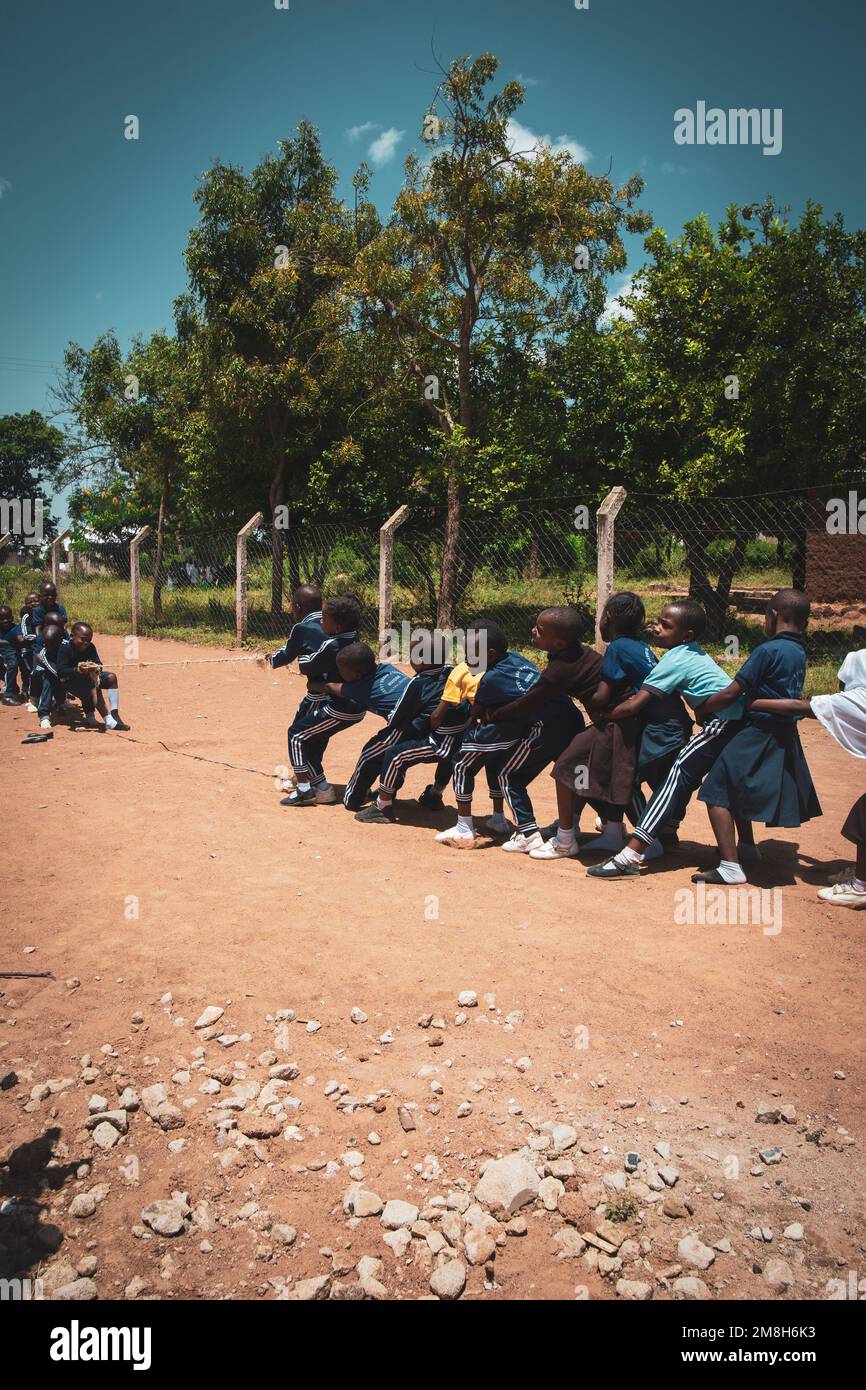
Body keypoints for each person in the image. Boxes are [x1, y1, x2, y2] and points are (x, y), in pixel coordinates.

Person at [587, 599, 745, 879]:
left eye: (665, 625)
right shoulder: (693, 653)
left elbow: (636, 704)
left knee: (675, 775)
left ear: (686, 636)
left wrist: (605, 716)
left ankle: (631, 855)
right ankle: (746, 849)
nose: (656, 628)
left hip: (721, 723)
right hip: (729, 721)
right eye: (657, 621)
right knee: (721, 782)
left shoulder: (675, 658)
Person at [688, 589, 820, 884]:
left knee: (716, 790)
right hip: (780, 732)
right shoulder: (798, 651)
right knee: (734, 786)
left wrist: (703, 705)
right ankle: (747, 847)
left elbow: (733, 692)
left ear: (773, 615)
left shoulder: (768, 650)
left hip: (759, 732)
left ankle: (730, 867)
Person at [435, 619, 578, 850]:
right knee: (572, 774)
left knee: (472, 766)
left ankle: (470, 828)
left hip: (545, 727)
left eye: (470, 652)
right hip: (570, 718)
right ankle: (587, 826)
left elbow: (478, 713)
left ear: (490, 654)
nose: (465, 657)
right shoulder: (517, 660)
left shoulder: (490, 681)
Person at [751, 648, 866, 909]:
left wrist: (749, 702)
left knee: (863, 817)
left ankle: (860, 887)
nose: (840, 686)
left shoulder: (860, 698)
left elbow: (799, 706)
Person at [480, 607, 600, 854]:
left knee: (509, 776)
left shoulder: (559, 669)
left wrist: (494, 715)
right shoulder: (580, 653)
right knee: (579, 775)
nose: (533, 630)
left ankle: (530, 835)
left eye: (540, 630)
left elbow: (528, 703)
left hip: (552, 727)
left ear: (558, 642)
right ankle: (597, 823)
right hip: (575, 720)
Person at [354, 646, 473, 824]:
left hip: (442, 744)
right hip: (462, 738)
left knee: (394, 754)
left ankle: (383, 806)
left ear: (421, 661)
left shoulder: (418, 682)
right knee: (445, 756)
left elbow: (397, 715)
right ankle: (434, 794)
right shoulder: (452, 672)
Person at [311, 642, 411, 811]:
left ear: (357, 674)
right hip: (419, 719)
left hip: (407, 725)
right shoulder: (387, 668)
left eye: (342, 670)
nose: (339, 673)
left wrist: (312, 684)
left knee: (369, 754)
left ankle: (353, 799)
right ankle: (390, 790)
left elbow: (330, 687)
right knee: (394, 755)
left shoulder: (362, 688)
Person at [283, 594, 363, 805]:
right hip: (355, 705)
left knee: (297, 735)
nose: (320, 622)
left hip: (341, 706)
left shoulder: (333, 645)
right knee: (311, 738)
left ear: (336, 626)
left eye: (324, 619)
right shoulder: (356, 641)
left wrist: (302, 647)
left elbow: (307, 665)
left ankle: (305, 790)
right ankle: (320, 786)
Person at [56, 622, 130, 730]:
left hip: (88, 678)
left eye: (89, 640)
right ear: (72, 636)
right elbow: (61, 671)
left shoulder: (90, 648)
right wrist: (77, 670)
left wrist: (95, 667)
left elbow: (99, 665)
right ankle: (108, 720)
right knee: (93, 684)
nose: (86, 643)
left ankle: (115, 714)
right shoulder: (65, 649)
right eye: (83, 639)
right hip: (71, 681)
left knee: (111, 678)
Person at [0, 605, 24, 704]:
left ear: (12, 618)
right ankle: (10, 691)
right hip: (3, 654)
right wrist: (7, 642)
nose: (5, 621)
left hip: (11, 654)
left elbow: (20, 639)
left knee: (13, 665)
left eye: (8, 618)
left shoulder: (16, 628)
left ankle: (10, 692)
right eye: (2, 619)